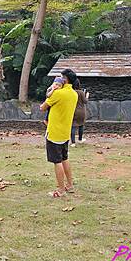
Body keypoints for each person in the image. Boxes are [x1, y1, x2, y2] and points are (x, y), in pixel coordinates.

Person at [40, 68, 78, 198]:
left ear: (65, 80)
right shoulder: (74, 94)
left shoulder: (58, 94)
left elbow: (42, 107)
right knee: (64, 158)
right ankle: (70, 185)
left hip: (54, 132)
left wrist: (52, 89)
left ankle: (61, 190)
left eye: (61, 77)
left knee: (57, 162)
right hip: (65, 132)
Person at [70, 79, 88, 146]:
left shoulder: (71, 92)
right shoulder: (81, 92)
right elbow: (85, 101)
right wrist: (87, 96)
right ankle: (80, 139)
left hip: (73, 111)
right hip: (81, 111)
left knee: (73, 126)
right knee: (81, 125)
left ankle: (73, 142)